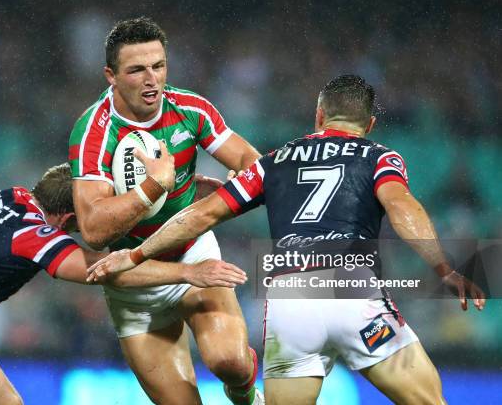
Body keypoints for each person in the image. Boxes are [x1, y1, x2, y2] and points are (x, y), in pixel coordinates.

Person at [89, 75, 487, 404]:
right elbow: (403, 209)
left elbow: (201, 214)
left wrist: (137, 253)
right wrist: (443, 267)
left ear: (318, 115)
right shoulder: (379, 156)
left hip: (289, 302)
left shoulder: (273, 161)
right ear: (368, 127)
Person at [0, 163, 246, 405]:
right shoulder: (36, 239)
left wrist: (181, 190)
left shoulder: (11, 196)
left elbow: (84, 180)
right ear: (73, 218)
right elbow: (109, 270)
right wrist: (188, 273)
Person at [69, 17, 263, 405]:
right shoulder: (94, 132)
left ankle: (245, 396)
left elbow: (249, 159)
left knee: (231, 363)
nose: (151, 79)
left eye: (158, 66)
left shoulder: (191, 108)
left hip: (192, 251)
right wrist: (154, 186)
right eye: (137, 69)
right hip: (135, 280)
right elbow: (93, 230)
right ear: (111, 75)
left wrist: (243, 175)